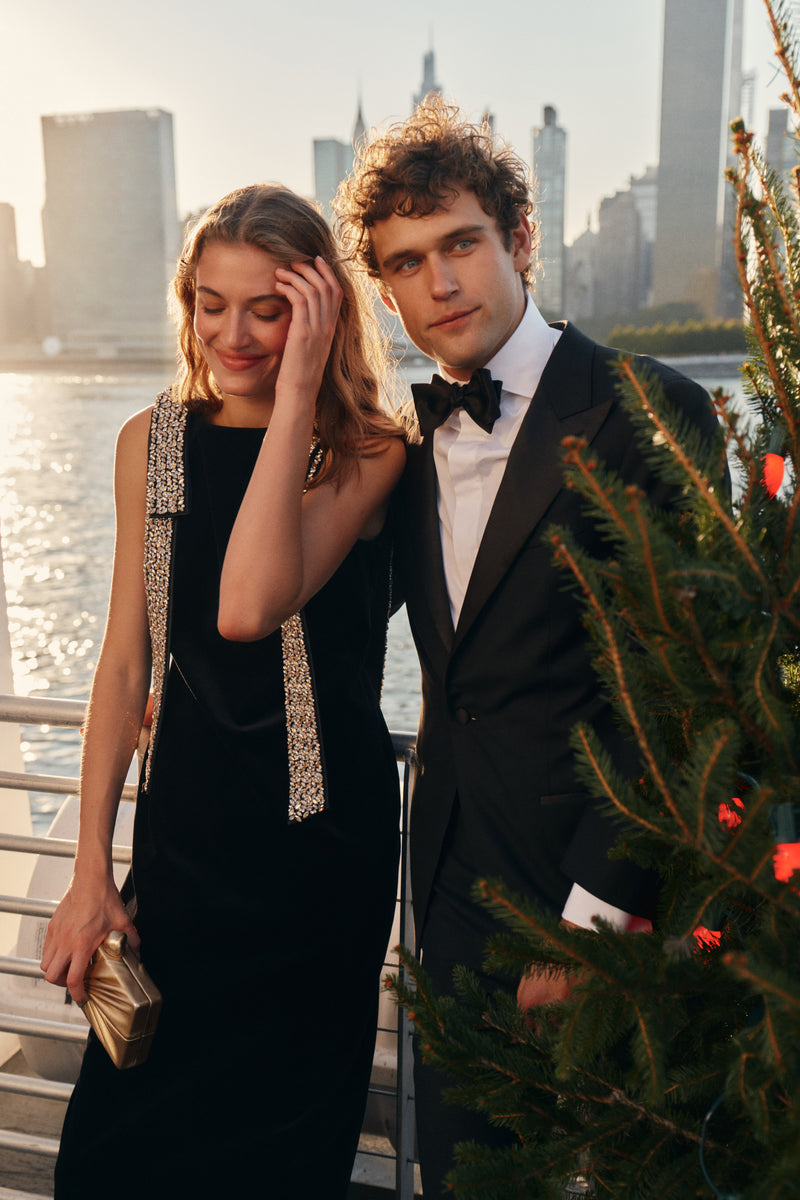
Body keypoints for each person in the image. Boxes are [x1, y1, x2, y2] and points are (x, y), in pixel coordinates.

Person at [336, 97, 725, 1193]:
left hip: (608, 896)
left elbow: (678, 689)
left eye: (458, 244)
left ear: (518, 239)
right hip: (451, 895)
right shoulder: (400, 442)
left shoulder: (654, 411)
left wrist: (589, 923)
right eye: (405, 264)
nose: (438, 283)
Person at [40, 183, 405, 1199]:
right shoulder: (147, 444)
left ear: (322, 309)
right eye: (210, 303)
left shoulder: (369, 449)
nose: (232, 333)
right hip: (184, 835)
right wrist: (89, 870)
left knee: (280, 1154)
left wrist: (296, 399)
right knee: (116, 1148)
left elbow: (251, 607)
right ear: (185, 301)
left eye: (268, 306)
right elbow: (123, 667)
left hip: (319, 849)